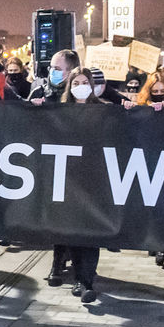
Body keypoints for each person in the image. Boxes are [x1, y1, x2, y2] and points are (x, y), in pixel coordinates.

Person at [56, 67, 104, 303]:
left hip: (95, 181)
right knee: (74, 231)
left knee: (92, 233)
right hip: (69, 180)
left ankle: (86, 281)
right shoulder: (61, 111)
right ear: (70, 86)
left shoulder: (103, 111)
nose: (80, 86)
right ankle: (79, 277)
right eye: (76, 82)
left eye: (84, 82)